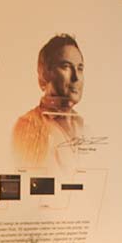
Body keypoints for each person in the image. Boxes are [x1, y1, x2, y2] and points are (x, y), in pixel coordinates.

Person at [12, 34, 86, 171]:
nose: (76, 77)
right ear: (45, 74)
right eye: (66, 67)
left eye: (80, 68)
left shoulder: (84, 127)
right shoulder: (29, 125)